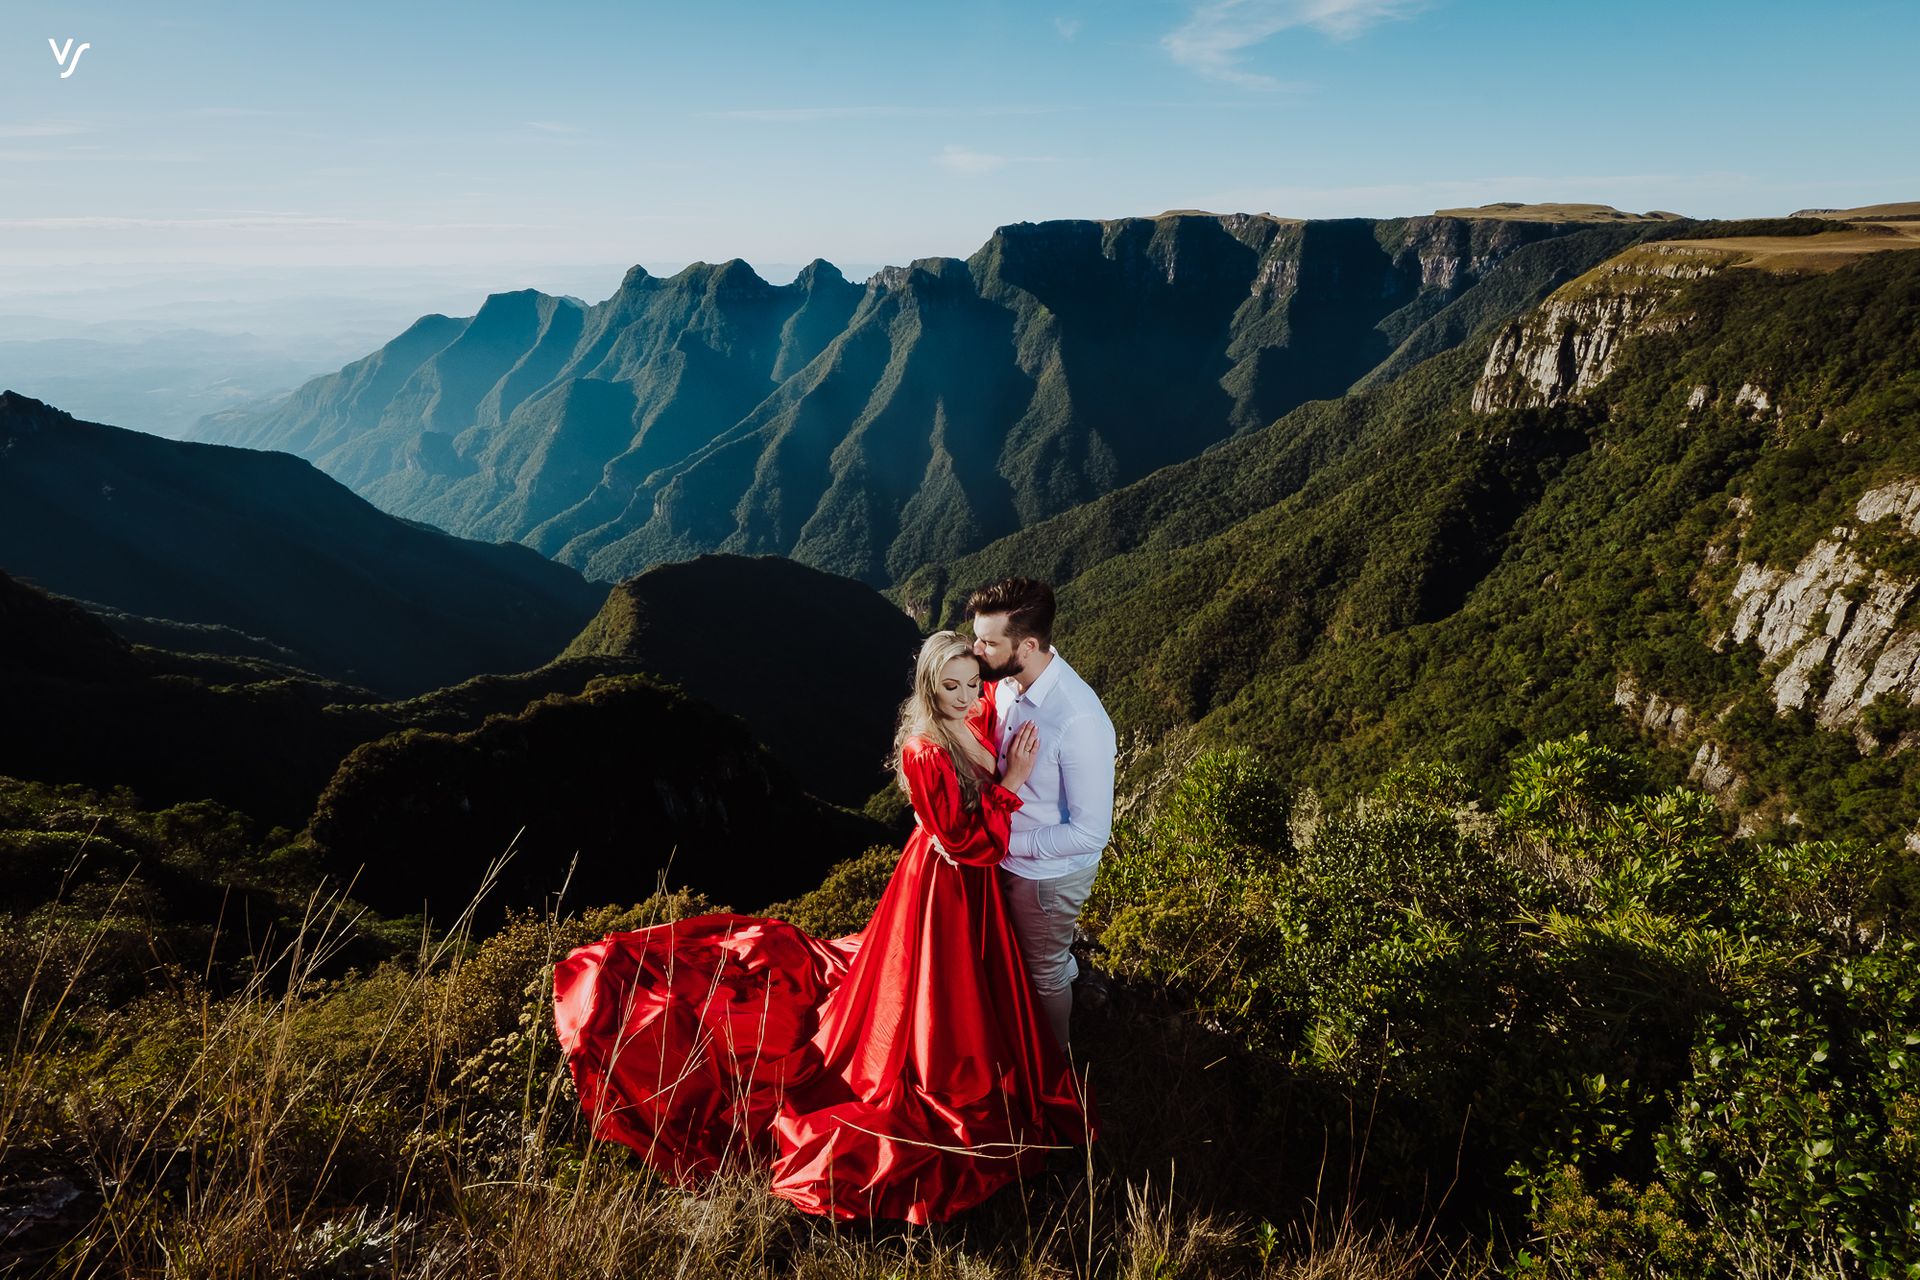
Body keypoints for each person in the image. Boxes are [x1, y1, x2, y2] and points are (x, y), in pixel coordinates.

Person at [551, 631, 1095, 1224]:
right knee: (941, 989)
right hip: (947, 881)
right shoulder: (924, 749)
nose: (965, 697)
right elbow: (961, 840)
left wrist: (1012, 685)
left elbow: (989, 711)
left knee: (971, 981)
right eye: (950, 686)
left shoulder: (972, 713)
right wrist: (1013, 780)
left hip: (972, 884)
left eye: (971, 684)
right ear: (926, 688)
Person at [964, 578, 1117, 1054]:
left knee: (1042, 973)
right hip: (1010, 856)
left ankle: (1057, 1063)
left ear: (1027, 646)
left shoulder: (1078, 720)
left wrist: (1008, 842)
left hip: (1046, 875)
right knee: (1034, 956)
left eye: (989, 642)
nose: (976, 649)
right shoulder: (1009, 684)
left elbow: (1093, 832)